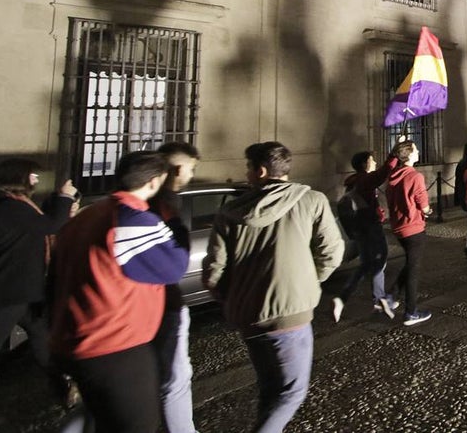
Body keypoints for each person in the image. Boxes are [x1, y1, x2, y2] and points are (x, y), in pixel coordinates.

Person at [203, 142, 344, 433]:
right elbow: (331, 252)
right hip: (291, 314)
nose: (246, 173)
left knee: (270, 388)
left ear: (261, 171)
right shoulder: (312, 201)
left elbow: (215, 269)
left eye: (248, 167)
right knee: (291, 392)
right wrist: (306, 281)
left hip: (248, 315)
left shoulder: (230, 211)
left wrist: (232, 297)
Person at [51, 151, 190, 433]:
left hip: (74, 338)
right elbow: (174, 266)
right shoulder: (131, 220)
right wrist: (172, 213)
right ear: (154, 183)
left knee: (99, 417)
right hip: (115, 344)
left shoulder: (85, 217)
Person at [0, 159, 76, 384]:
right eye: (33, 175)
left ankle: (61, 381)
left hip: (23, 290)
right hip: (10, 291)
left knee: (41, 334)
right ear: (20, 178)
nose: (36, 180)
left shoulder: (15, 205)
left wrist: (60, 202)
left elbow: (40, 222)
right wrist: (65, 197)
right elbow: (52, 225)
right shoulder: (10, 207)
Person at [150, 142, 201, 433]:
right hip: (163, 303)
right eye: (192, 169)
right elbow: (176, 262)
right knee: (176, 380)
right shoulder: (166, 205)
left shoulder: (139, 202)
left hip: (141, 305)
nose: (192, 175)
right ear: (179, 169)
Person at [332, 150, 398, 323]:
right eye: (371, 160)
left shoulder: (355, 181)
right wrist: (395, 153)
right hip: (370, 228)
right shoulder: (363, 179)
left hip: (360, 229)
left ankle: (343, 297)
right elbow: (382, 174)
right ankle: (379, 299)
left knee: (366, 264)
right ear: (364, 164)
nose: (374, 162)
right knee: (380, 259)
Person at [384, 140, 434, 325]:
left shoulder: (393, 175)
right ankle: (411, 312)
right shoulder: (414, 176)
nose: (419, 151)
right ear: (410, 154)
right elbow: (424, 203)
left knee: (410, 263)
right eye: (416, 149)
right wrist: (428, 211)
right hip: (413, 227)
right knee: (414, 269)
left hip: (398, 227)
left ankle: (391, 296)